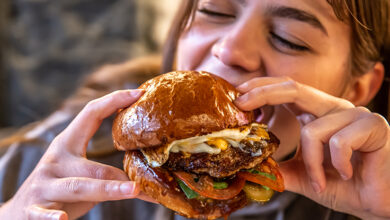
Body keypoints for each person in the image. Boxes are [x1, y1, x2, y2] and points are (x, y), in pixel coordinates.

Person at [0, 0, 389, 219]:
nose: (230, 50)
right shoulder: (58, 155)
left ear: (360, 87)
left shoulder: (375, 193)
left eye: (289, 39)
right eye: (215, 12)